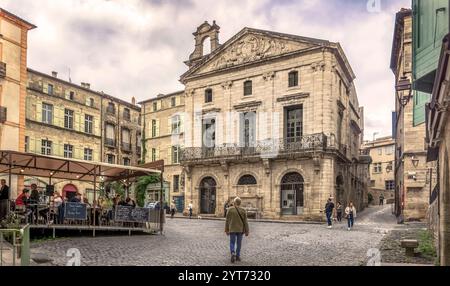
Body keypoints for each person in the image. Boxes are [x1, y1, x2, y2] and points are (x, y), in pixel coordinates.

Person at [225, 197, 249, 263]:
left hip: (232, 229)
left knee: (232, 242)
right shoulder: (243, 210)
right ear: (240, 203)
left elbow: (227, 220)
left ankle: (233, 252)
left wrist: (226, 229)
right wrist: (247, 231)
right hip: (240, 229)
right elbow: (245, 221)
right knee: (239, 243)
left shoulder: (229, 210)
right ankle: (238, 256)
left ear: (234, 202)